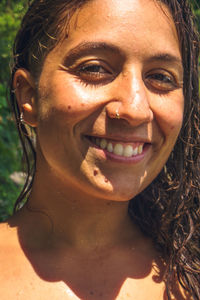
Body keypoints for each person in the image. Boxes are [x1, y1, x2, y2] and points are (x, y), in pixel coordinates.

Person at [0, 0, 199, 299]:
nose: (135, 108)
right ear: (28, 95)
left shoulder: (190, 276)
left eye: (160, 77)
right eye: (94, 69)